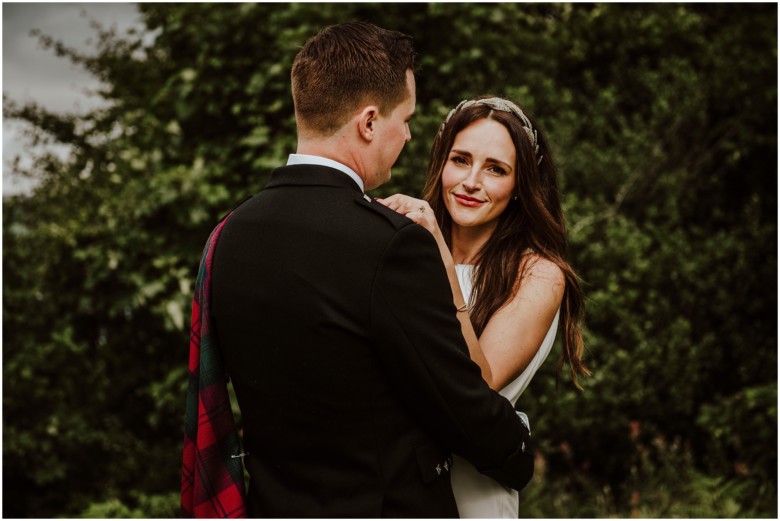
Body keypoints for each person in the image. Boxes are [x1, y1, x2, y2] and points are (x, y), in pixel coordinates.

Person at [203, 24, 534, 518]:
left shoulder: (228, 237)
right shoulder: (392, 245)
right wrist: (520, 453)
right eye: (406, 119)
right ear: (369, 122)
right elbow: (460, 406)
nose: (408, 135)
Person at [379, 96, 590, 517]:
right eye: (460, 160)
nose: (471, 181)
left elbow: (475, 386)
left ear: (518, 188)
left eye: (496, 169)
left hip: (472, 494)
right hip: (394, 489)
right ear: (441, 164)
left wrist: (439, 254)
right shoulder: (403, 252)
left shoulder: (539, 274)